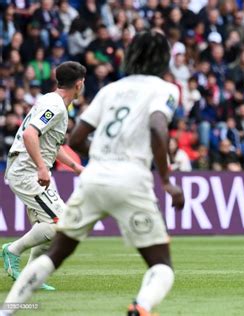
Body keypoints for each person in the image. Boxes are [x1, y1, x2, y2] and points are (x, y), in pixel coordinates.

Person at [1, 31, 185, 316]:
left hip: (94, 178)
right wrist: (166, 180)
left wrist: (84, 162)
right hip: (127, 179)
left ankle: (8, 309)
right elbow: (158, 128)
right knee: (161, 265)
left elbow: (73, 141)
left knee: (56, 248)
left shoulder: (109, 90)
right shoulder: (167, 89)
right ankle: (141, 307)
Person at [1, 61, 86, 291]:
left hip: (32, 170)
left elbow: (50, 143)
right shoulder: (56, 106)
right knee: (59, 224)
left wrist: (73, 166)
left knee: (47, 227)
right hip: (27, 171)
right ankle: (12, 251)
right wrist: (41, 167)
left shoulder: (53, 102)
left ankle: (30, 278)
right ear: (79, 84)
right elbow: (30, 134)